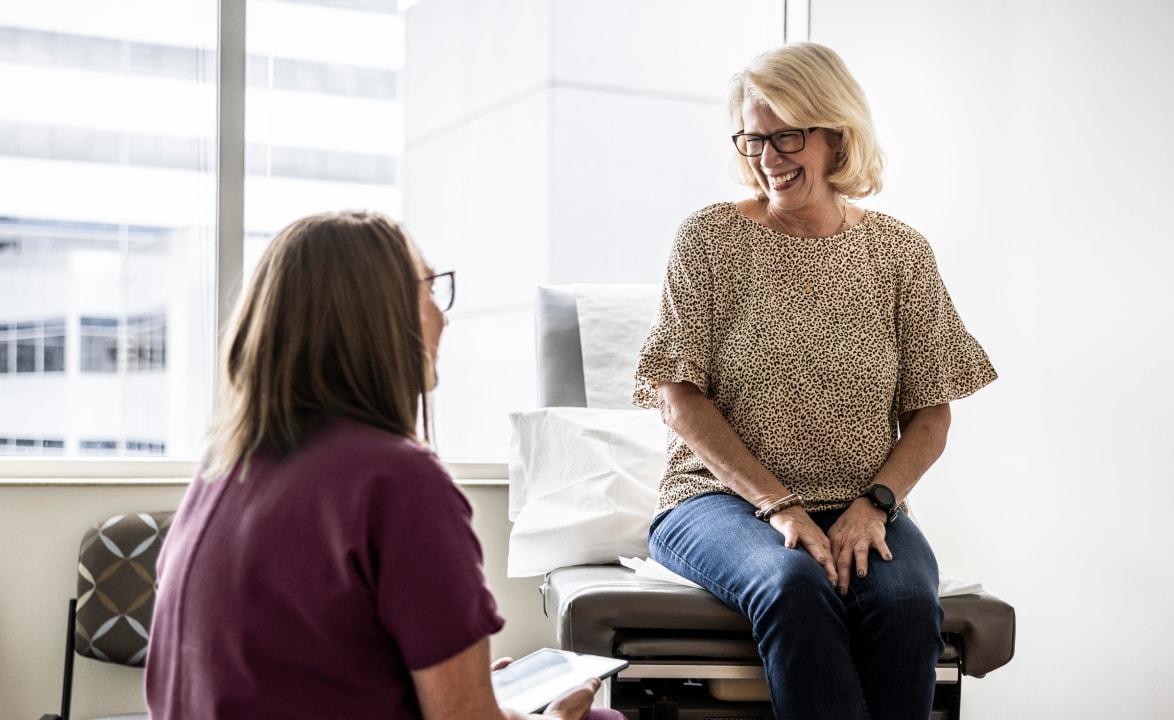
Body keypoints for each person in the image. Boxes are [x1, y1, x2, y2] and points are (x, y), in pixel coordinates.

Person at [633, 43, 997, 720]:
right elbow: (678, 399)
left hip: (862, 500)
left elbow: (930, 414)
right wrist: (780, 507)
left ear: (837, 135)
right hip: (716, 501)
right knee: (794, 584)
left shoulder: (899, 254)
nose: (768, 157)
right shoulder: (709, 240)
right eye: (753, 139)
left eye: (787, 136)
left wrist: (876, 503)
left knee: (909, 603)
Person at [145, 210, 625, 720]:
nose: (444, 317)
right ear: (376, 315)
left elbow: (292, 674)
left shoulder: (225, 463)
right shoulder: (398, 482)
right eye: (430, 290)